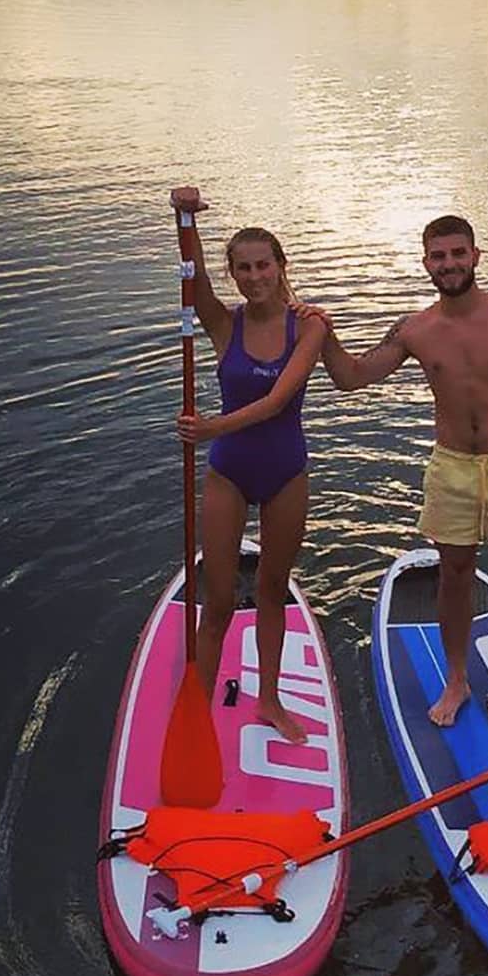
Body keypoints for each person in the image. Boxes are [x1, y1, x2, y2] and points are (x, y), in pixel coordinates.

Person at [318, 215, 488, 728]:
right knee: (454, 575)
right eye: (438, 257)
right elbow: (353, 377)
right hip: (452, 468)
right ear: (425, 263)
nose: (449, 265)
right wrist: (321, 332)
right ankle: (457, 678)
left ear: (476, 256)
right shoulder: (416, 329)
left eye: (458, 254)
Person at [171, 186, 326, 744]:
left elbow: (280, 400)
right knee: (215, 602)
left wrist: (213, 426)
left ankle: (269, 700)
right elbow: (194, 283)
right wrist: (185, 218)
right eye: (243, 268)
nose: (255, 276)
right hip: (229, 473)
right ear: (233, 274)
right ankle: (199, 717)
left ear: (282, 266)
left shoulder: (309, 325)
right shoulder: (223, 324)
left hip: (285, 472)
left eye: (264, 265)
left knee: (272, 588)